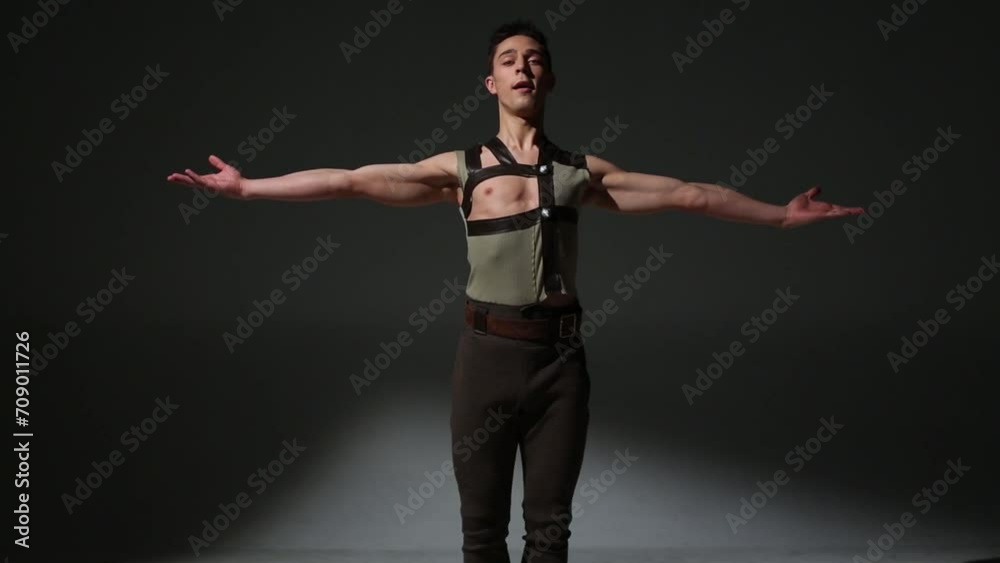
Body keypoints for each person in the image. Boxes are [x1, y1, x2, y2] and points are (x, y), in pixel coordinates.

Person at [167, 18, 863, 563]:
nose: (522, 67)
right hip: (486, 362)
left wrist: (780, 215)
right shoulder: (462, 170)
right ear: (490, 83)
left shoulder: (580, 173)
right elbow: (351, 179)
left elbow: (689, 193)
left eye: (534, 59)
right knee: (481, 536)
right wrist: (248, 188)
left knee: (550, 534)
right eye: (509, 60)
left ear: (549, 78)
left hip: (561, 366)